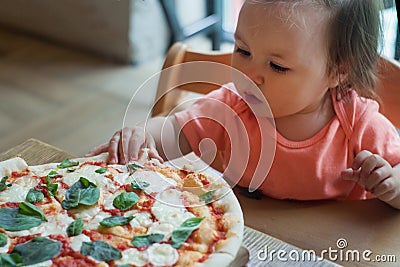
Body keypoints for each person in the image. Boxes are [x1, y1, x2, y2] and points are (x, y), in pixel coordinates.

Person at [87, 0, 400, 209]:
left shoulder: (357, 124)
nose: (250, 75)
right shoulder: (231, 109)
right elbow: (171, 132)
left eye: (277, 66)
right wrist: (141, 134)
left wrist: (391, 184)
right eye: (243, 50)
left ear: (338, 71)